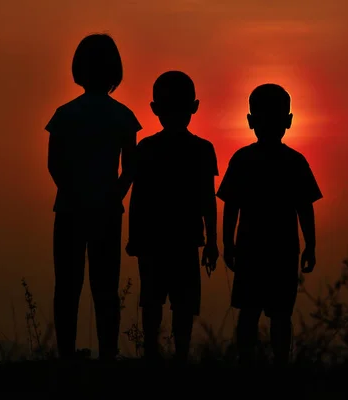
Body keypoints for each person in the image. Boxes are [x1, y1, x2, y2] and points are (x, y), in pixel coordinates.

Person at [45, 33, 142, 361]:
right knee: (106, 287)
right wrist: (115, 192)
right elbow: (131, 166)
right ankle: (108, 354)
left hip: (70, 208)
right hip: (105, 210)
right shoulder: (122, 115)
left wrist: (74, 189)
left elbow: (54, 164)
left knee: (67, 286)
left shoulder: (65, 114)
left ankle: (66, 354)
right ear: (115, 71)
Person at [216, 83, 323, 366]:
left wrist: (227, 243)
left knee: (250, 312)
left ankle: (248, 362)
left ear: (250, 121)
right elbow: (305, 207)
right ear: (289, 121)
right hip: (282, 250)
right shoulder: (294, 161)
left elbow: (230, 207)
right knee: (278, 314)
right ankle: (279, 365)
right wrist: (310, 245)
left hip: (253, 248)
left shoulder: (243, 160)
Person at [126, 71, 219, 363]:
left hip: (163, 239)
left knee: (160, 302)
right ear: (195, 106)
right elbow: (207, 200)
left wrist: (134, 237)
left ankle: (157, 356)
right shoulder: (201, 150)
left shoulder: (148, 149)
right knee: (177, 303)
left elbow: (138, 198)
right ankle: (175, 357)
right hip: (181, 240)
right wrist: (212, 241)